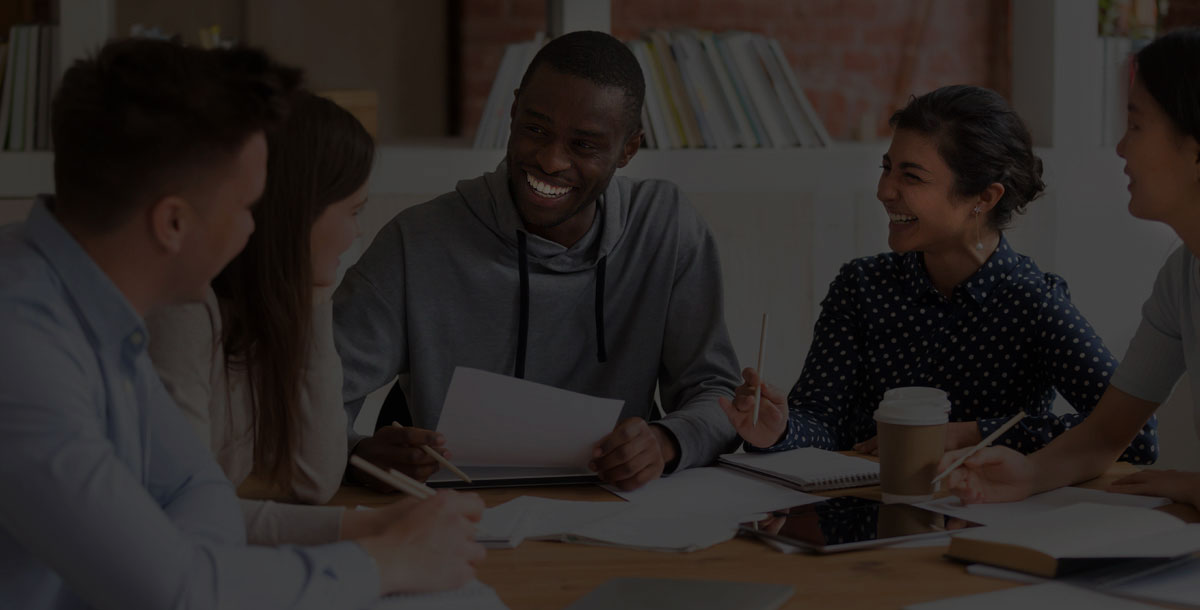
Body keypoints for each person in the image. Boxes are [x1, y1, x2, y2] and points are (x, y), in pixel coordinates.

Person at [0, 39, 483, 609]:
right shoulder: (22, 350)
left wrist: (362, 529)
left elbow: (192, 492)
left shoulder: (96, 311)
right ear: (173, 223)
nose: (258, 230)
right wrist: (387, 561)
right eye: (247, 206)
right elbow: (176, 590)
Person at [334, 31, 741, 491]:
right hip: (457, 510)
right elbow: (307, 399)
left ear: (628, 149)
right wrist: (355, 454)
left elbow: (718, 394)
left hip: (615, 510)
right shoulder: (416, 242)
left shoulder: (666, 228)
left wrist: (665, 441)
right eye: (536, 130)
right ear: (512, 113)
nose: (550, 161)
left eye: (583, 145)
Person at [720, 85, 1157, 464]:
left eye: (911, 176)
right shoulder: (861, 286)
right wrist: (779, 429)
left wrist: (972, 434)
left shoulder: (1033, 303)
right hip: (860, 519)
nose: (884, 191)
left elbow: (1135, 435)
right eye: (887, 168)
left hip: (982, 520)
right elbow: (821, 422)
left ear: (984, 197)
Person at [941, 30, 1200, 510]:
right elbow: (1105, 434)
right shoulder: (1182, 275)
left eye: (1136, 125)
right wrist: (1028, 474)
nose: (1120, 148)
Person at [147, 90, 401, 545]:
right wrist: (365, 529)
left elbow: (315, 478)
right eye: (353, 211)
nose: (357, 231)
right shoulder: (182, 310)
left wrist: (314, 300)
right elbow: (185, 509)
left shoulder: (268, 313)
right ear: (297, 212)